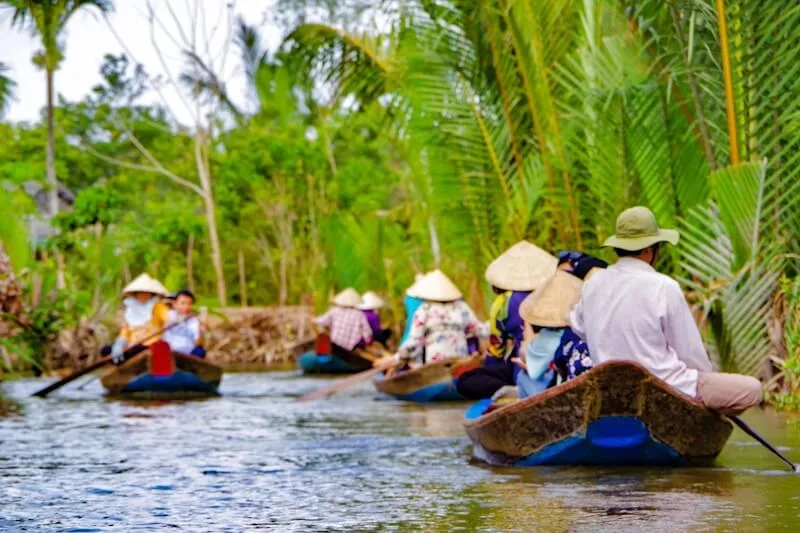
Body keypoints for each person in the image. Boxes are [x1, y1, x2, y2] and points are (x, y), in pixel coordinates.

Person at [570, 206, 762, 415]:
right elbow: (690, 354)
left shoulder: (593, 283)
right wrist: (703, 383)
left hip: (611, 391)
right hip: (668, 388)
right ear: (648, 251)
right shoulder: (664, 286)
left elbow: (579, 327)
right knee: (753, 389)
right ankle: (699, 419)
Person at [456, 241, 559, 400]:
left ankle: (515, 389)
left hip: (522, 367)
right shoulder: (559, 294)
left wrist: (492, 369)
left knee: (466, 380)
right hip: (556, 363)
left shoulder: (504, 302)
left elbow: (496, 349)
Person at [380, 270, 485, 369]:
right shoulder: (461, 307)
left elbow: (414, 342)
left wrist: (396, 358)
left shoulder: (424, 309)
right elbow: (480, 330)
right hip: (461, 360)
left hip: (436, 364)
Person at [514, 270, 592, 398]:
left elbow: (535, 371)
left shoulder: (549, 337)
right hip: (579, 386)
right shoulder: (581, 333)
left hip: (562, 390)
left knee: (522, 376)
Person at [103, 274, 171, 364]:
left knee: (136, 349)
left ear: (151, 294)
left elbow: (169, 319)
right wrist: (119, 343)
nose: (143, 295)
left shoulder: (158, 306)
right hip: (131, 345)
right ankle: (119, 359)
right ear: (135, 294)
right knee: (105, 350)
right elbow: (125, 332)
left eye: (146, 292)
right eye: (140, 292)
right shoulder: (131, 309)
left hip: (149, 345)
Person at [163, 290, 206, 357]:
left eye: (189, 304)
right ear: (174, 304)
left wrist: (201, 332)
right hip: (169, 352)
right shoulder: (167, 315)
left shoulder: (194, 321)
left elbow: (198, 343)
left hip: (187, 355)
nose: (186, 307)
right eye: (183, 303)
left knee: (200, 351)